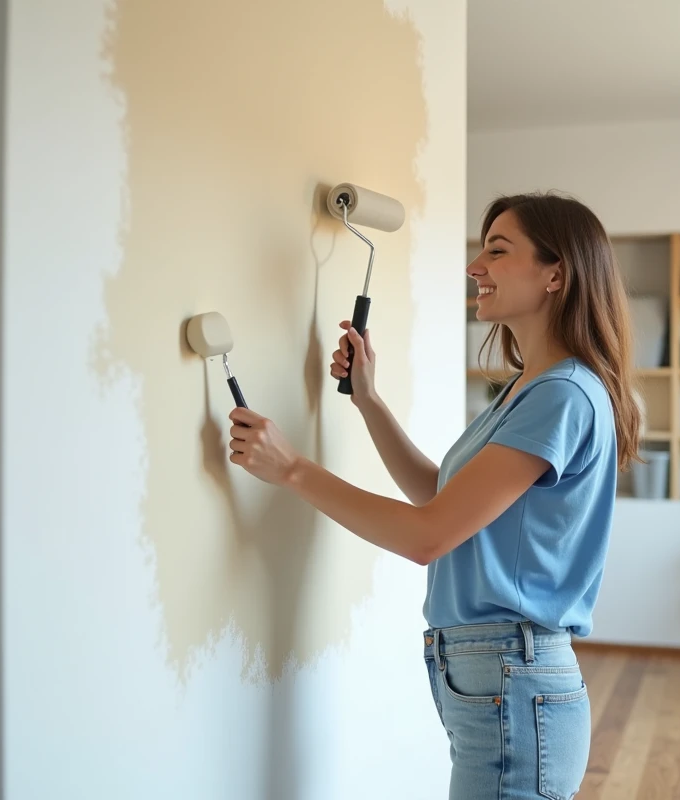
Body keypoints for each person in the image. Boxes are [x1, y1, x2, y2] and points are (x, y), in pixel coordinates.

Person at [227, 191, 642, 800]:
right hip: (497, 675)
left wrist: (293, 470)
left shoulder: (563, 394)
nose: (475, 267)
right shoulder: (530, 388)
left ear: (557, 273)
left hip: (511, 674)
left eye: (497, 251)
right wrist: (368, 399)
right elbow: (438, 496)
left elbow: (428, 536)